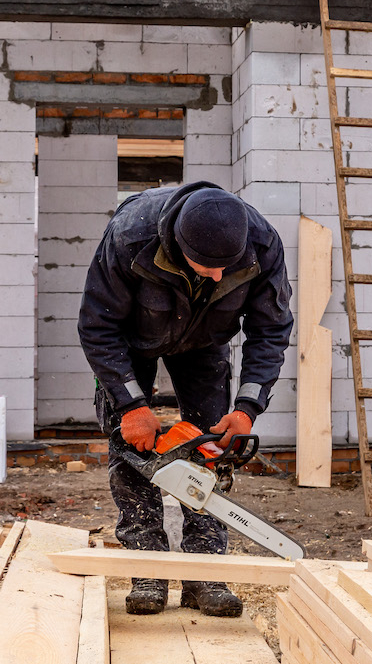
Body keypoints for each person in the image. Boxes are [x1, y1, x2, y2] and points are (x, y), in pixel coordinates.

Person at [79, 181, 293, 617]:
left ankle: (205, 572)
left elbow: (270, 329)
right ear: (178, 244)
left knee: (209, 450)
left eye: (226, 268)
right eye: (207, 266)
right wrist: (131, 406)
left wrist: (247, 407)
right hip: (129, 344)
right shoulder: (131, 236)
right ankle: (147, 568)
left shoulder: (262, 244)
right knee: (133, 446)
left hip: (205, 341)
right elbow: (98, 326)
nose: (217, 277)